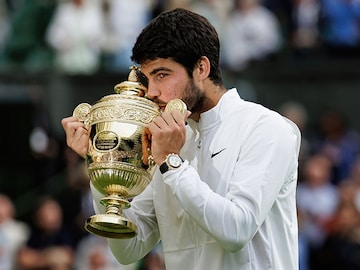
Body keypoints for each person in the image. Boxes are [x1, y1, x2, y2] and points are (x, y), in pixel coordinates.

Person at [61, 8, 301, 270]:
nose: (151, 92)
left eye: (162, 75)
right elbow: (128, 248)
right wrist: (103, 162)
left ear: (201, 68)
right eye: (147, 77)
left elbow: (237, 230)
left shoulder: (266, 128)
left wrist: (171, 163)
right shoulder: (167, 140)